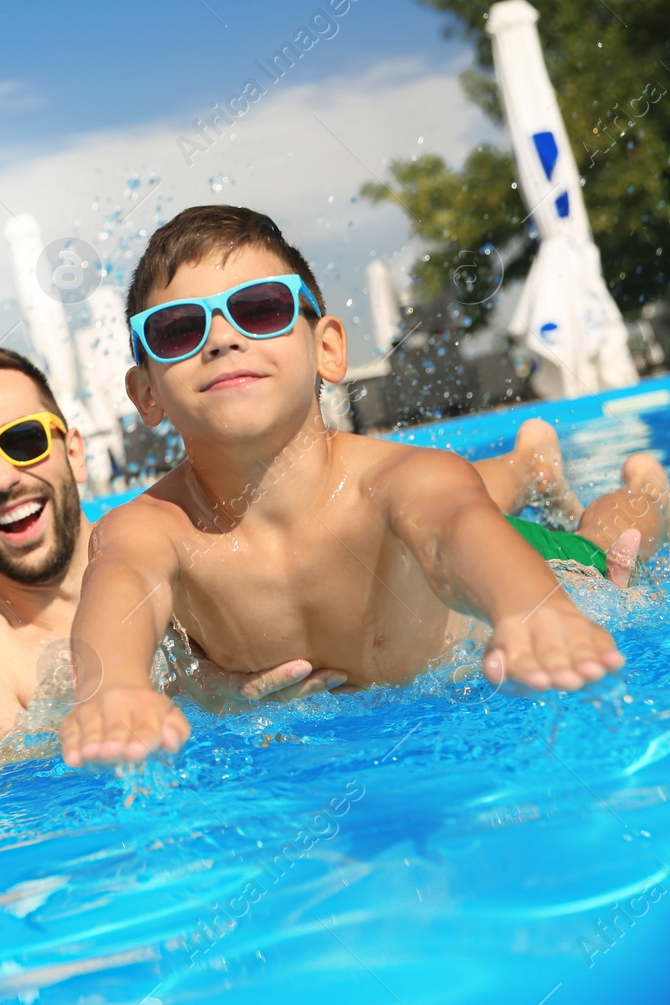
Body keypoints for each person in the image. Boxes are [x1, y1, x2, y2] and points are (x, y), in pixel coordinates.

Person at [59, 205, 669, 768]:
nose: (221, 338)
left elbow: (454, 528)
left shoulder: (405, 479)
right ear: (145, 394)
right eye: (176, 330)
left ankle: (640, 485)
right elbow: (123, 583)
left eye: (260, 309)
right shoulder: (147, 528)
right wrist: (114, 690)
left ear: (326, 349)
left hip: (499, 553)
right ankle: (530, 460)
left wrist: (529, 608)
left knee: (608, 545)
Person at [0, 340, 347, 758]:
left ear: (74, 453)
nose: (2, 479)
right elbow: (14, 824)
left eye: (22, 441)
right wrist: (190, 703)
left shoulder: (197, 551)